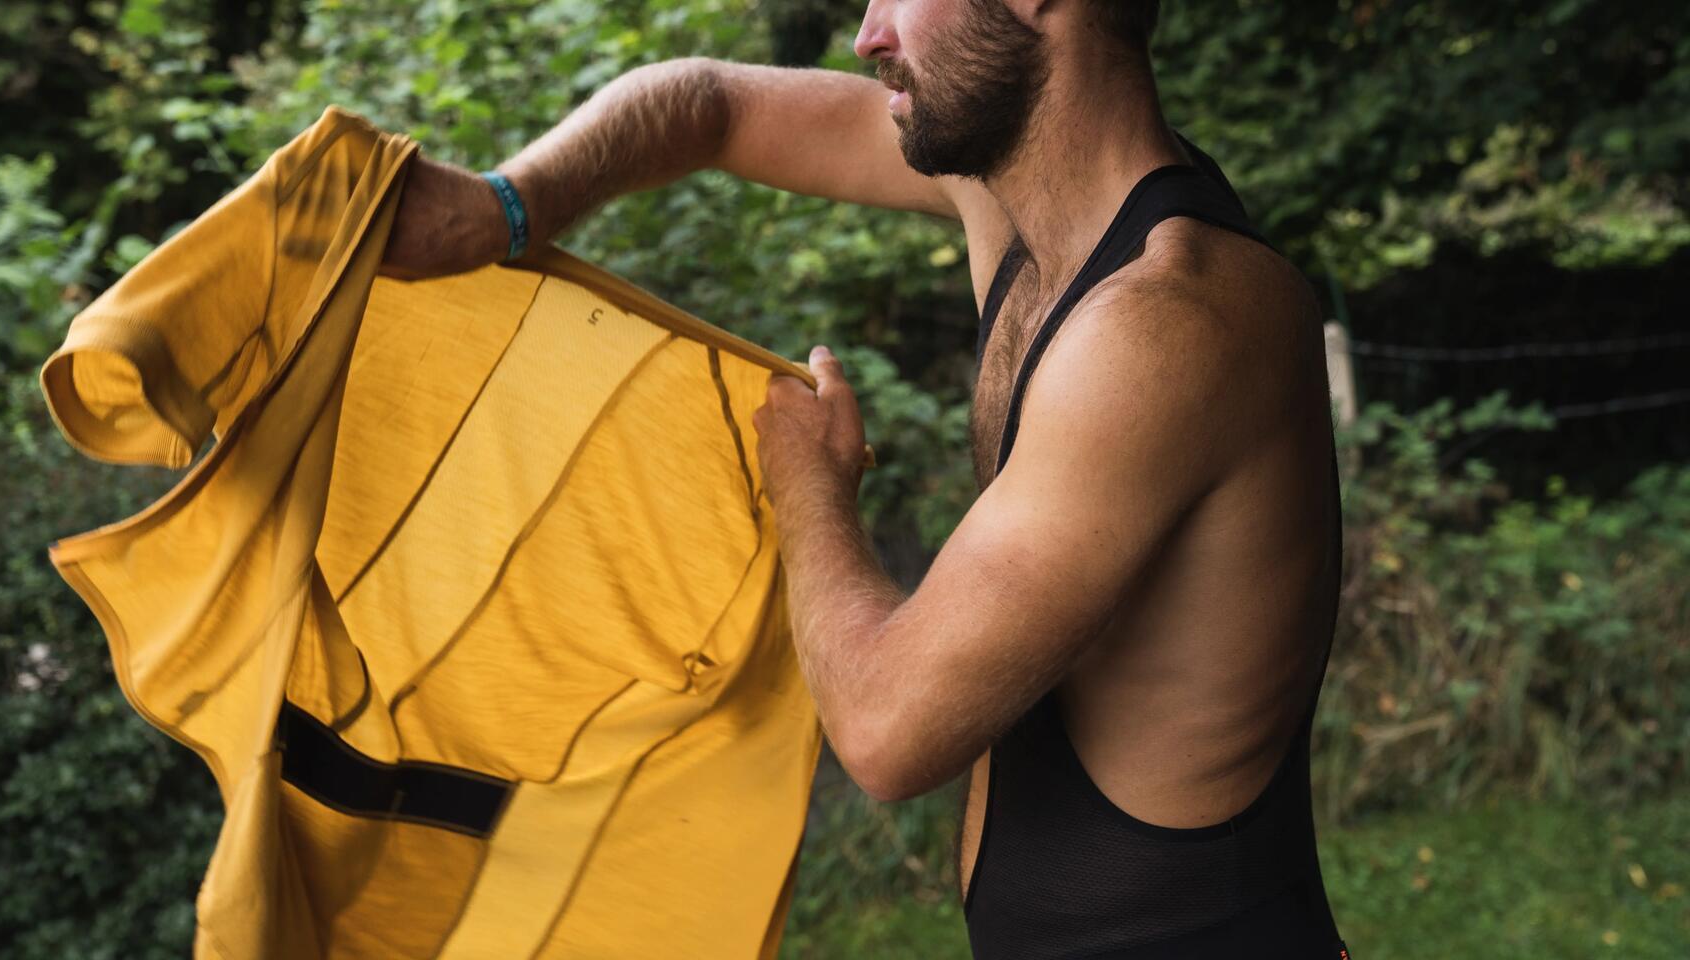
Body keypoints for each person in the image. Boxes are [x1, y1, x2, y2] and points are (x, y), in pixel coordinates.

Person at [381, 1, 1349, 955]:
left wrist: (810, 487)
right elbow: (713, 103)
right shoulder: (1017, 204)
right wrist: (502, 207)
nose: (867, 33)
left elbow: (887, 728)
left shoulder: (1169, 323)